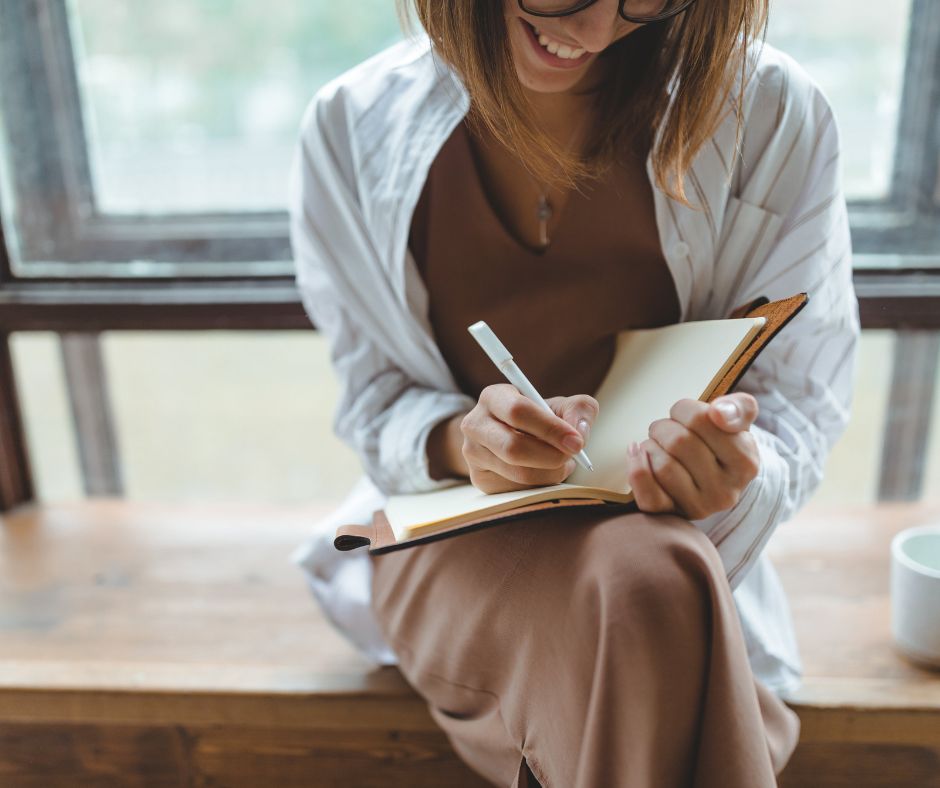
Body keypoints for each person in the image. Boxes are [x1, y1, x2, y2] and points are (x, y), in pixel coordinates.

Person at [288, 0, 860, 785]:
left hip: (677, 547)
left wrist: (730, 464)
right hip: (450, 540)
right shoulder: (350, 127)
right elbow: (375, 396)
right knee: (654, 592)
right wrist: (465, 441)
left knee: (646, 575)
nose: (591, 31)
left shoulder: (770, 115)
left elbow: (798, 396)